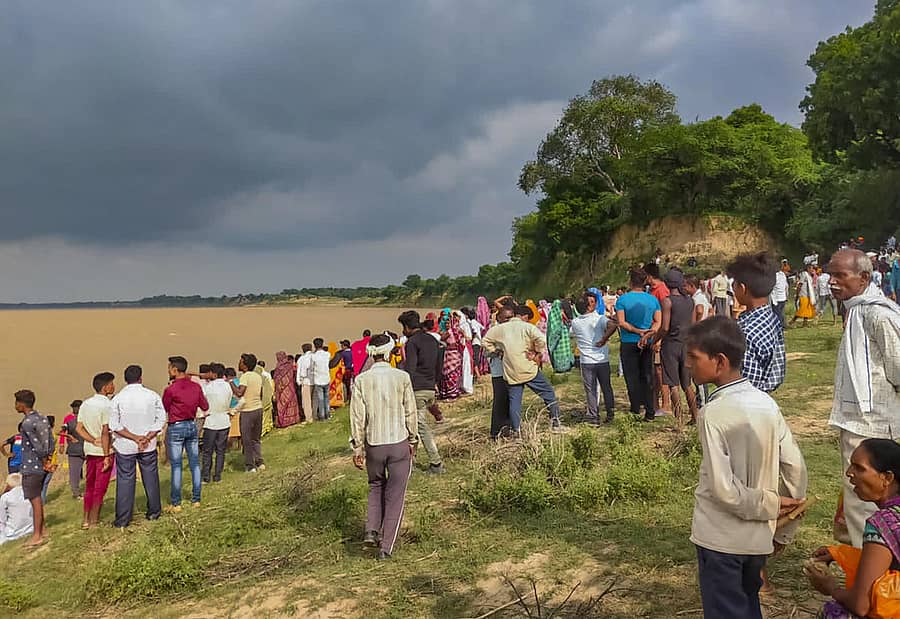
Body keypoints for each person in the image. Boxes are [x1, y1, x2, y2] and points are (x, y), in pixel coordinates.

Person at [685, 317, 807, 619]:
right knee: (749, 606)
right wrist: (783, 529)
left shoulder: (712, 413)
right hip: (757, 542)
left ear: (720, 361)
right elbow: (795, 470)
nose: (688, 364)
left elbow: (723, 490)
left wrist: (770, 505)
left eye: (694, 357)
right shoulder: (766, 403)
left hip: (719, 540)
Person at [827, 249, 900, 549]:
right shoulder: (856, 308)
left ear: (865, 278)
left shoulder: (878, 315)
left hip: (875, 427)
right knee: (858, 504)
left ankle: (870, 578)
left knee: (868, 505)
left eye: (839, 275)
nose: (831, 282)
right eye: (830, 274)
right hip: (857, 422)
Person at [808, 439, 900, 618]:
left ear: (887, 477)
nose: (849, 473)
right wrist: (841, 554)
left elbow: (860, 605)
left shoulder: (883, 524)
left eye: (859, 468)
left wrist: (831, 588)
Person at [349, 334, 419, 561]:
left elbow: (357, 417)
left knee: (375, 486)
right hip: (398, 442)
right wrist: (413, 440)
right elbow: (410, 412)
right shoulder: (402, 377)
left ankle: (371, 529)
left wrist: (357, 447)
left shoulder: (361, 380)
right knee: (395, 496)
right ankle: (386, 547)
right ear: (390, 353)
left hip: (374, 444)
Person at [482, 306, 565, 433]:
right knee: (548, 393)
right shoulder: (527, 327)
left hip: (511, 370)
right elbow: (541, 340)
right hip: (528, 368)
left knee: (515, 402)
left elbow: (485, 341)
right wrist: (536, 352)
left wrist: (498, 352)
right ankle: (556, 423)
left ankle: (517, 431)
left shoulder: (499, 329)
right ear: (520, 316)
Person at [110, 365, 165, 528]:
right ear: (141, 378)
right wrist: (146, 438)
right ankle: (154, 512)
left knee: (125, 480)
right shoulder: (152, 395)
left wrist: (135, 438)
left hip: (126, 445)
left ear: (125, 380)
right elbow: (160, 420)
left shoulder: (118, 399)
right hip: (147, 445)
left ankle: (123, 520)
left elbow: (115, 425)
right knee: (151, 478)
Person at [728, 253, 786, 394]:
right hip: (764, 395)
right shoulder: (772, 318)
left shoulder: (746, 331)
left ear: (742, 288)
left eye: (734, 284)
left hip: (747, 402)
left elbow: (747, 384)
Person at [398, 311, 444, 474]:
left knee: (420, 426)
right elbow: (439, 365)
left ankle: (436, 462)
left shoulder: (411, 343)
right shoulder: (432, 339)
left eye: (403, 328)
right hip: (430, 387)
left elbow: (410, 367)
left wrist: (403, 388)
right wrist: (435, 382)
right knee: (415, 425)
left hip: (417, 388)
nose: (403, 331)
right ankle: (411, 458)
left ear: (407, 327)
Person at [615, 270, 662, 422]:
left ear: (630, 282)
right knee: (647, 376)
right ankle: (650, 410)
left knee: (631, 376)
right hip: (647, 342)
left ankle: (635, 407)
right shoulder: (652, 300)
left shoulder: (622, 300)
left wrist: (637, 331)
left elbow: (621, 322)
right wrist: (649, 333)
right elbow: (658, 321)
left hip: (629, 340)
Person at [162, 356, 208, 511]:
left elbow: (166, 407)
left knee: (176, 465)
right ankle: (196, 499)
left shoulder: (171, 389)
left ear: (175, 370)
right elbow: (205, 405)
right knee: (194, 463)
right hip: (191, 424)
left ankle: (176, 502)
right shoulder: (196, 387)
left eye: (169, 368)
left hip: (176, 426)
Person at [654, 270, 698, 424]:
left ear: (666, 284)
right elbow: (692, 325)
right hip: (686, 345)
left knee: (673, 384)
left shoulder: (667, 301)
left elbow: (665, 327)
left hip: (671, 345)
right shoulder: (690, 301)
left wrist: (655, 339)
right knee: (687, 385)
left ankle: (678, 421)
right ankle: (695, 416)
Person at [77, 372, 116, 528]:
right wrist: (107, 455)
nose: (114, 386)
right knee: (100, 487)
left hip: (90, 450)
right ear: (105, 387)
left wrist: (91, 440)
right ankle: (94, 520)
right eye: (112, 384)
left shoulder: (85, 404)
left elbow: (79, 428)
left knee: (90, 486)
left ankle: (85, 519)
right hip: (104, 452)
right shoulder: (107, 405)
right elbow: (105, 431)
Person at [570, 296, 617, 425]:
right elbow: (613, 325)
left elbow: (573, 334)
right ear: (589, 306)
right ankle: (610, 413)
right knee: (606, 387)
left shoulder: (575, 322)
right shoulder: (599, 319)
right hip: (602, 359)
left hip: (586, 361)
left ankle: (593, 416)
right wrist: (604, 338)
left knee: (590, 389)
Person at [15, 390, 52, 548]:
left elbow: (37, 445)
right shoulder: (41, 418)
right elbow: (49, 440)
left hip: (32, 465)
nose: (15, 406)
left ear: (22, 404)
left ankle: (36, 535)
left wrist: (44, 460)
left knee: (35, 500)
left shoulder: (27, 423)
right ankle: (42, 530)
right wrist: (49, 459)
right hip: (41, 465)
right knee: (37, 498)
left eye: (16, 402)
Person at [230, 353, 266, 472]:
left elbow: (240, 393)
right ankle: (259, 462)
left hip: (247, 411)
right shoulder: (258, 376)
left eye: (240, 362)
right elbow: (260, 394)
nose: (238, 364)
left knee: (246, 439)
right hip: (258, 409)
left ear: (245, 365)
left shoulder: (245, 377)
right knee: (256, 438)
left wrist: (231, 383)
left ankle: (250, 465)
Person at [201, 363, 233, 483]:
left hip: (211, 421)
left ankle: (206, 476)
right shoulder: (228, 386)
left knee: (207, 451)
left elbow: (202, 402)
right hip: (224, 420)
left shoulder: (208, 387)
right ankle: (217, 475)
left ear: (214, 374)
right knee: (220, 450)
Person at [0, 473, 33, 544]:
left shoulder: (5, 497)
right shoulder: (30, 493)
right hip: (30, 528)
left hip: (12, 533)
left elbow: (2, 519)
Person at [62, 400, 84, 499]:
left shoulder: (70, 420)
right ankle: (76, 493)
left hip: (76, 449)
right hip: (81, 448)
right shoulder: (70, 420)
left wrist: (69, 436)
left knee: (74, 473)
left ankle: (76, 493)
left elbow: (60, 431)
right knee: (75, 473)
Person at [274, 351, 301, 428]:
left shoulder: (277, 368)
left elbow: (276, 380)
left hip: (281, 391)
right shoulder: (290, 366)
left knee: (282, 406)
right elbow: (295, 376)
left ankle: (284, 422)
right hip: (290, 389)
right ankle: (293, 420)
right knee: (291, 404)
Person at [310, 339, 332, 421]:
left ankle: (322, 416)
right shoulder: (327, 354)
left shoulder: (313, 356)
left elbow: (312, 367)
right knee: (327, 397)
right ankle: (328, 414)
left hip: (318, 379)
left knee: (321, 399)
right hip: (326, 377)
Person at [791, 263, 817, 327]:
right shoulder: (804, 274)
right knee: (802, 309)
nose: (812, 270)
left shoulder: (809, 275)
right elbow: (800, 284)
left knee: (807, 309)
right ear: (808, 268)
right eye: (811, 268)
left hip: (808, 295)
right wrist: (797, 294)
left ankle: (805, 324)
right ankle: (792, 321)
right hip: (803, 294)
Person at [296, 344, 314, 424]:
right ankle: (316, 415)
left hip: (306, 381)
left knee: (307, 402)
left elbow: (299, 371)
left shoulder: (301, 359)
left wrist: (299, 381)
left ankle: (309, 418)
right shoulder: (315, 356)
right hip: (316, 380)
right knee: (314, 399)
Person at [225, 367, 242, 445]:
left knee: (230, 431)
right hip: (240, 408)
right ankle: (239, 445)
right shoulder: (240, 381)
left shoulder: (228, 383)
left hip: (231, 408)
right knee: (239, 429)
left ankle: (229, 445)